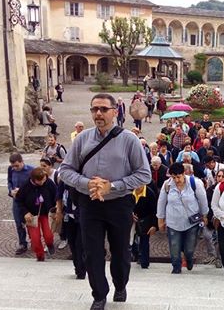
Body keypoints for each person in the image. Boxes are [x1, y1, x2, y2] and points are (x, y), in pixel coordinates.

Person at [59, 93, 151, 310]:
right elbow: (64, 170)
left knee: (120, 251)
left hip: (119, 203)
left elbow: (144, 174)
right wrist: (87, 183)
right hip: (89, 203)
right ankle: (99, 294)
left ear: (114, 111)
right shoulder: (82, 138)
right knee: (92, 251)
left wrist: (113, 185)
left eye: (103, 109)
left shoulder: (129, 139)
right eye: (94, 109)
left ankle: (120, 284)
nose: (98, 113)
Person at [157, 163, 208, 274]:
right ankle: (176, 267)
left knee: (189, 249)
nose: (176, 180)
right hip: (173, 222)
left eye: (178, 177)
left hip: (191, 222)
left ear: (184, 173)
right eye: (173, 177)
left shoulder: (195, 183)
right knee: (174, 248)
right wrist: (160, 220)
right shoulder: (167, 185)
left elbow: (203, 201)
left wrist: (204, 215)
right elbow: (161, 203)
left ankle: (189, 259)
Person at [15, 167, 57, 261]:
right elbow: (19, 200)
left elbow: (56, 195)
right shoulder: (25, 186)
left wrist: (56, 209)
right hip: (32, 216)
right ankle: (40, 256)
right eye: (40, 181)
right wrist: (25, 212)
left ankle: (50, 244)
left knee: (48, 235)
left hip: (46, 213)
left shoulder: (49, 182)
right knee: (35, 238)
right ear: (34, 180)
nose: (43, 182)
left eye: (44, 179)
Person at [7, 153, 34, 255]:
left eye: (17, 166)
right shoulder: (10, 169)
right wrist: (11, 191)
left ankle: (34, 240)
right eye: (13, 166)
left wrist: (22, 191)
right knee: (19, 223)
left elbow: (35, 185)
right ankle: (22, 243)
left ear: (22, 162)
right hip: (17, 201)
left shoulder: (31, 170)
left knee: (30, 222)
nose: (15, 168)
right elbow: (9, 182)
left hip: (28, 202)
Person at [131, 183, 158, 269]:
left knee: (144, 239)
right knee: (130, 240)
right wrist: (129, 214)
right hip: (131, 220)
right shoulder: (130, 192)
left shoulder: (150, 193)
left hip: (145, 219)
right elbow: (124, 205)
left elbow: (154, 210)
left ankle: (144, 262)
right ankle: (136, 254)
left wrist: (154, 225)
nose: (138, 187)